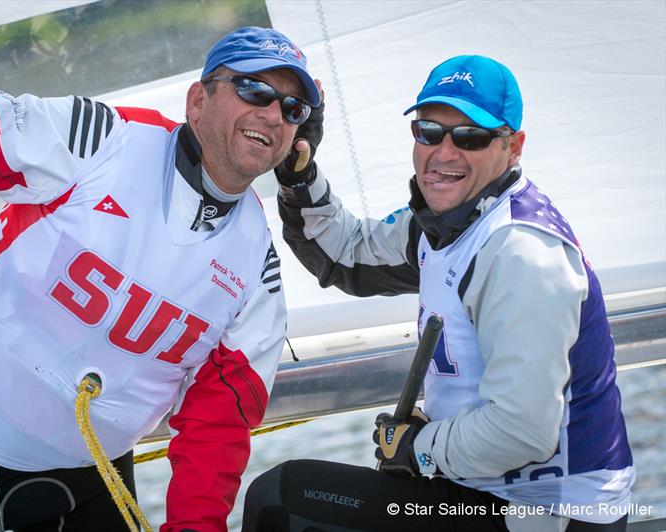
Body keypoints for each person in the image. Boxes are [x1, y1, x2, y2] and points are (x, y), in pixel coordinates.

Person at [0, 26, 321, 531]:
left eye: (292, 109)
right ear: (198, 99)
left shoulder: (257, 268)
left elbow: (220, 425)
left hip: (90, 483)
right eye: (254, 89)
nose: (273, 113)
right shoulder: (105, 140)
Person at [242, 55, 635, 531]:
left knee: (283, 500)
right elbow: (345, 253)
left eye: (469, 137)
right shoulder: (446, 223)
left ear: (513, 147)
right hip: (481, 490)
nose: (443, 153)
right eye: (428, 131)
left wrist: (417, 450)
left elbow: (521, 431)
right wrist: (299, 171)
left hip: (546, 512)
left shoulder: (521, 255)